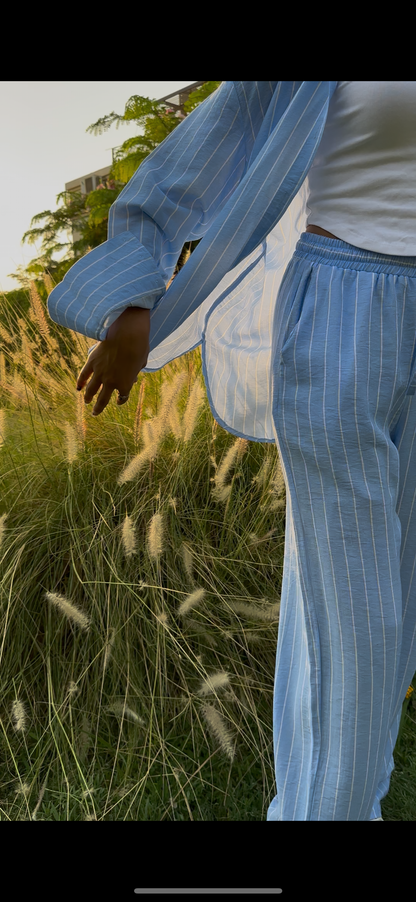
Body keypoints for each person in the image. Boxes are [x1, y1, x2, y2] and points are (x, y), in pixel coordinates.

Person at [48, 82, 416, 820]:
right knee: (362, 616)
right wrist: (136, 296)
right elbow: (190, 164)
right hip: (341, 310)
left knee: (386, 612)